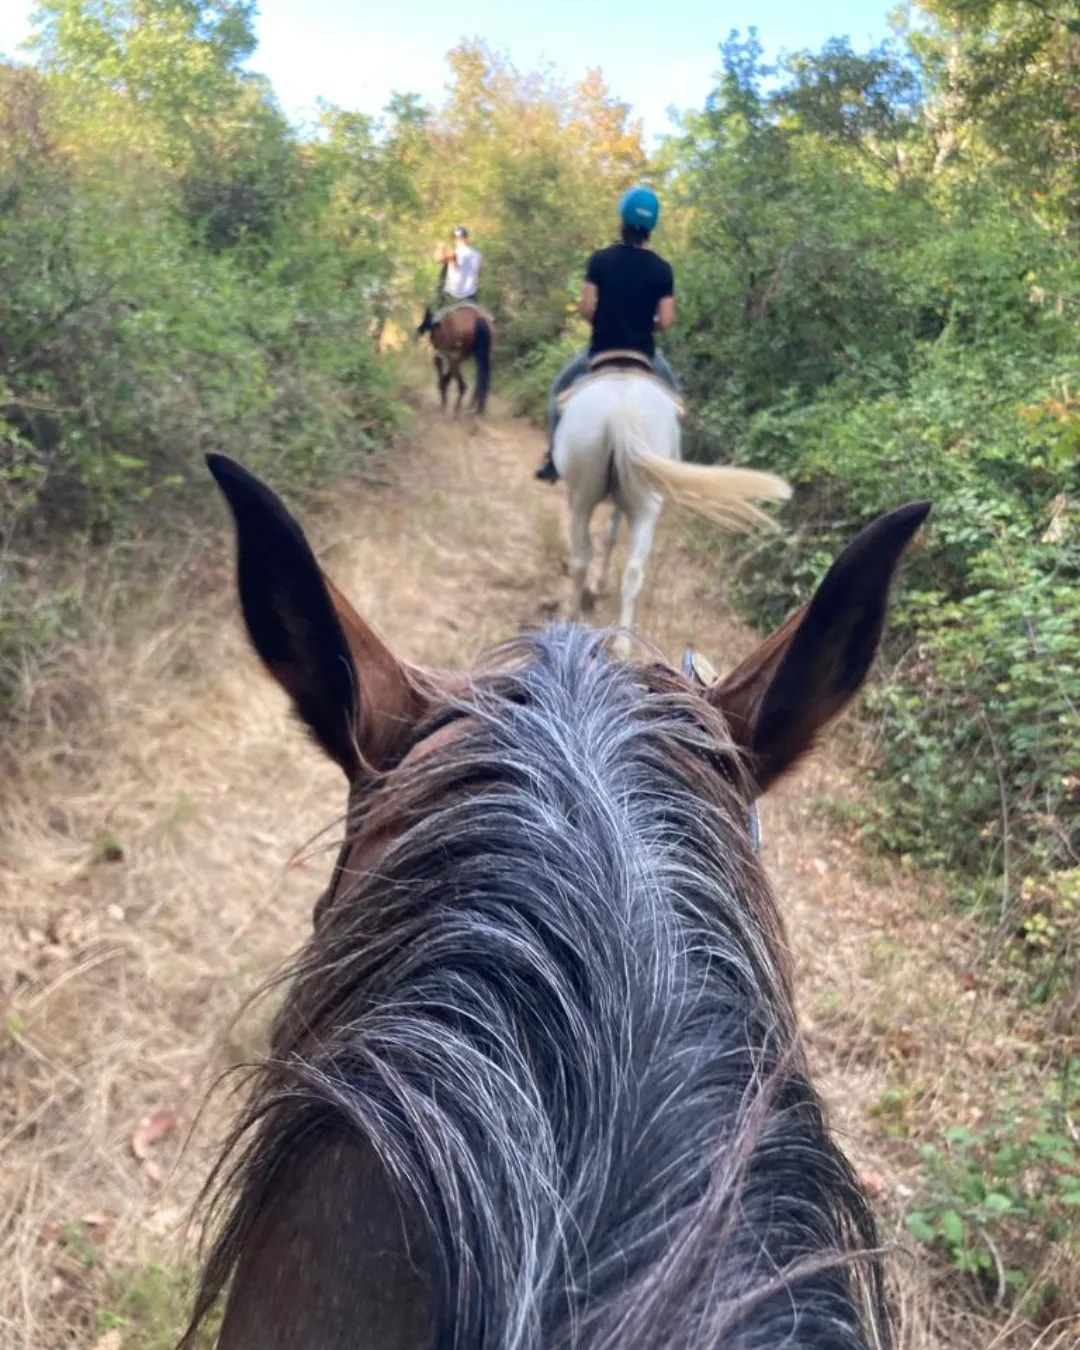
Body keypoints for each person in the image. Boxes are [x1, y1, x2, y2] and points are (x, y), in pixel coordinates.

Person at [535, 186, 678, 483]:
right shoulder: (662, 270)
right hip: (644, 357)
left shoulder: (600, 260)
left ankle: (553, 461)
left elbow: (586, 308)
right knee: (675, 400)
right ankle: (674, 460)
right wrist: (641, 323)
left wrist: (607, 319)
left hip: (601, 352)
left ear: (622, 221)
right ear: (651, 227)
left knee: (556, 392)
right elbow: (665, 321)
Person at [435, 225, 483, 308]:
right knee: (483, 317)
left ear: (453, 239)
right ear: (467, 238)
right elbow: (479, 274)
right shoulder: (477, 254)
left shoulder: (454, 253)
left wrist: (440, 247)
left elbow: (438, 259)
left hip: (452, 295)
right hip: (471, 296)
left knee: (435, 315)